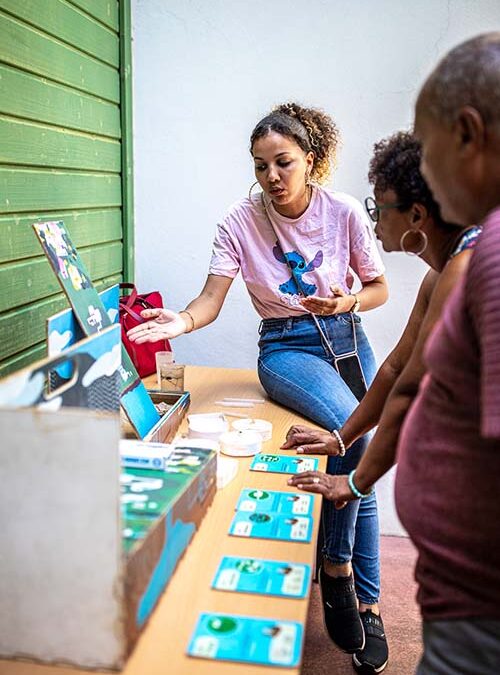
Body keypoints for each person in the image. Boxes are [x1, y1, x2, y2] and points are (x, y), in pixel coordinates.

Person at [128, 103, 389, 661]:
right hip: (287, 347)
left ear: (310, 160)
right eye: (260, 165)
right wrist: (180, 320)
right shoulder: (239, 221)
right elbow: (210, 300)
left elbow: (378, 288)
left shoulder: (343, 212)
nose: (271, 176)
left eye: (283, 163)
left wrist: (348, 299)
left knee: (362, 462)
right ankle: (338, 568)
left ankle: (370, 606)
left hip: (347, 337)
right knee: (355, 433)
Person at [293, 32, 500, 673]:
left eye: (428, 146)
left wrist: (352, 481)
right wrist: (344, 445)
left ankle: (353, 583)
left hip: (480, 599)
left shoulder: (480, 265)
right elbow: (399, 374)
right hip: (457, 590)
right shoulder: (451, 270)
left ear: (464, 135)